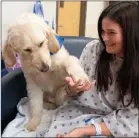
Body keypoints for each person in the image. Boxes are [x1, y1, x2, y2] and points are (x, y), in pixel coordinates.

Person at [57, 1, 139, 137]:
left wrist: (83, 131)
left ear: (131, 34)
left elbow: (131, 120)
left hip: (121, 125)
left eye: (111, 32)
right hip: (80, 112)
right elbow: (74, 94)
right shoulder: (93, 50)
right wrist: (74, 89)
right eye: (102, 31)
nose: (104, 38)